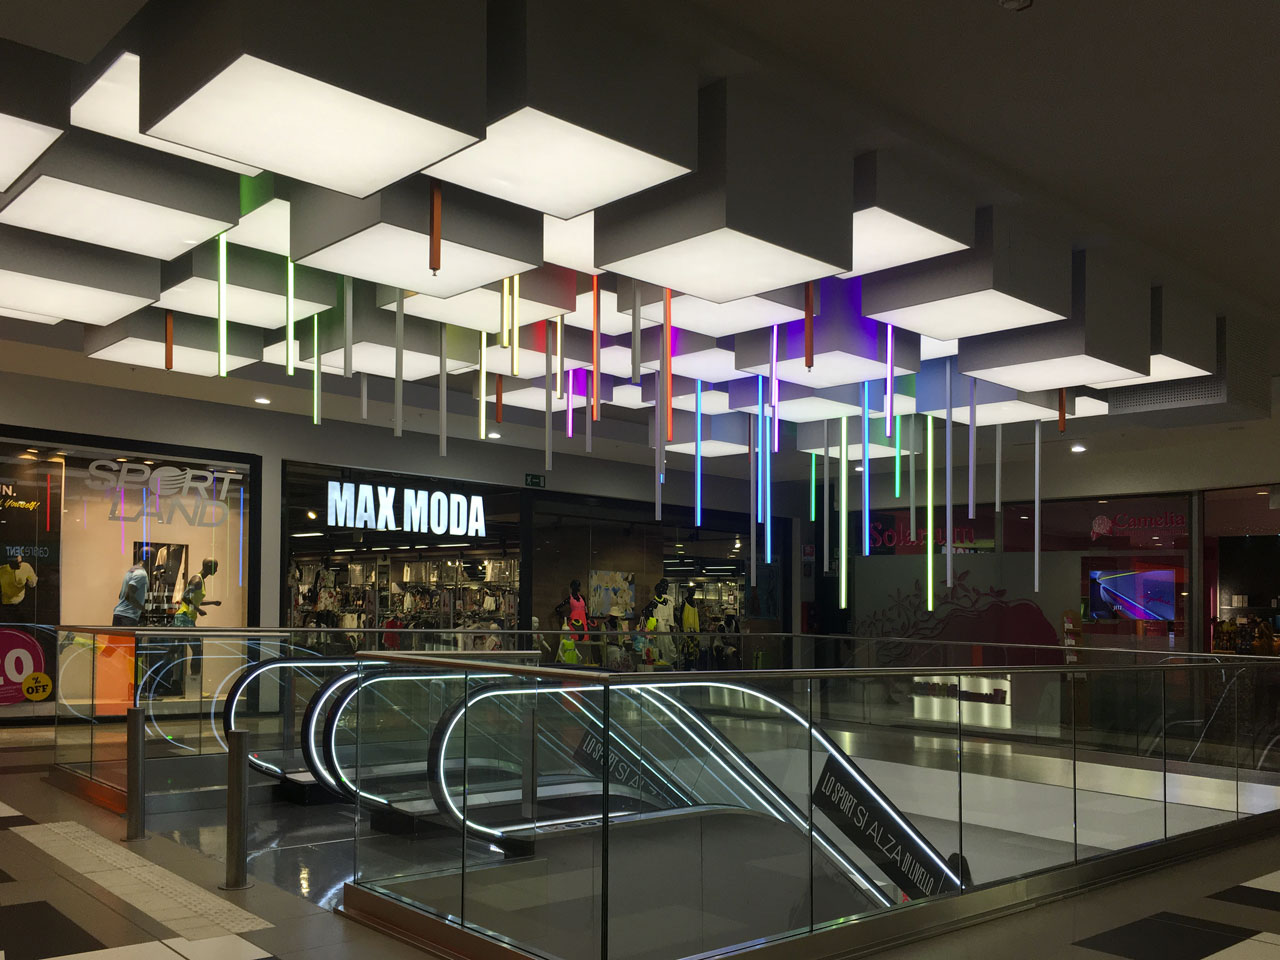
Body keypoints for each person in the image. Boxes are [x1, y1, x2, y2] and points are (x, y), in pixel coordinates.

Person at [113, 550, 152, 627]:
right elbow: (129, 596)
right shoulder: (141, 574)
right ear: (150, 559)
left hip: (118, 614)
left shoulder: (131, 571)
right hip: (128, 617)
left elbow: (121, 595)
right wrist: (144, 610)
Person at [0, 555, 37, 624]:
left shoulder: (26, 567)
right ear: (10, 563)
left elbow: (33, 579)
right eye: (17, 563)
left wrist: (31, 582)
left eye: (20, 562)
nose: (20, 565)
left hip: (22, 602)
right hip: (6, 604)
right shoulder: (2, 570)